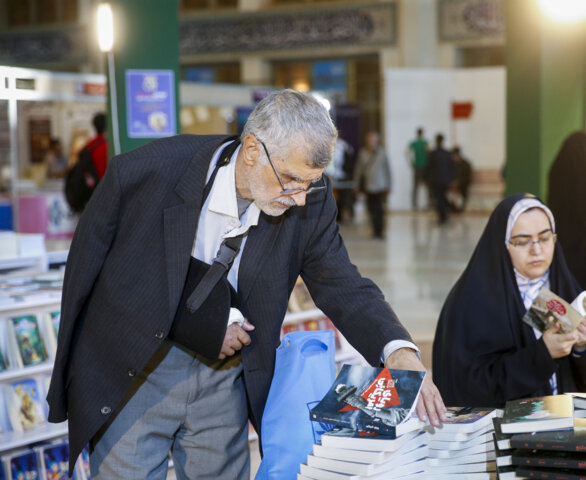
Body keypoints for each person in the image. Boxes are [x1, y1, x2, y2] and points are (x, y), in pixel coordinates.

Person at [47, 90, 446, 478]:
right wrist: (205, 325)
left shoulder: (310, 197)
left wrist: (398, 351)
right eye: (291, 179)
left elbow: (341, 282)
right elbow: (99, 278)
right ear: (252, 150)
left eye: (310, 182)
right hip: (138, 368)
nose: (301, 198)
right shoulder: (145, 174)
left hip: (225, 378)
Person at [432, 194, 586, 408]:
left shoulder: (564, 288)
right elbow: (466, 387)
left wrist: (583, 349)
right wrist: (542, 355)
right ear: (503, 244)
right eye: (522, 241)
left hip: (566, 431)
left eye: (545, 238)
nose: (537, 250)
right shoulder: (471, 302)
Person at [547, 131, 586, 290]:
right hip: (577, 235)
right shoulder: (582, 171)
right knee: (576, 276)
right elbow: (584, 204)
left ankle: (557, 312)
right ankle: (576, 313)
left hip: (560, 230)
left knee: (560, 274)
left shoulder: (557, 166)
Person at [354, 132, 391, 239]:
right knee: (371, 209)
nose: (371, 142)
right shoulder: (363, 153)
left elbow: (387, 170)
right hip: (368, 186)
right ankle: (375, 230)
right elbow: (358, 170)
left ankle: (380, 231)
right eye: (369, 140)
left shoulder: (382, 153)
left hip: (380, 186)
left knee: (380, 210)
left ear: (376, 141)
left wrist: (389, 185)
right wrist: (356, 184)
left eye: (373, 140)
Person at [426, 133, 454, 225]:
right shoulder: (447, 153)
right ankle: (445, 214)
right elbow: (451, 167)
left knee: (439, 198)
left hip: (436, 180)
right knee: (442, 197)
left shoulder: (432, 154)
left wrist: (428, 180)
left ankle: (443, 217)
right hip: (445, 180)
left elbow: (429, 168)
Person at [326, 134, 355, 223]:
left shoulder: (342, 146)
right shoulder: (342, 146)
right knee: (338, 197)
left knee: (343, 197)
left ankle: (342, 216)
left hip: (341, 176)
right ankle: (339, 216)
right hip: (336, 175)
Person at [406, 128, 428, 210]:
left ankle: (414, 204)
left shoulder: (414, 143)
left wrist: (410, 163)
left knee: (416, 187)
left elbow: (406, 153)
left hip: (418, 167)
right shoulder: (425, 143)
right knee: (426, 187)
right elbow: (428, 152)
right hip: (423, 167)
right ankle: (426, 204)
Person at [450, 146, 472, 212]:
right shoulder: (451, 164)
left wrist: (458, 182)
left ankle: (460, 208)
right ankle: (453, 207)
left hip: (463, 184)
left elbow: (467, 177)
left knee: (463, 192)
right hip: (452, 185)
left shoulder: (465, 164)